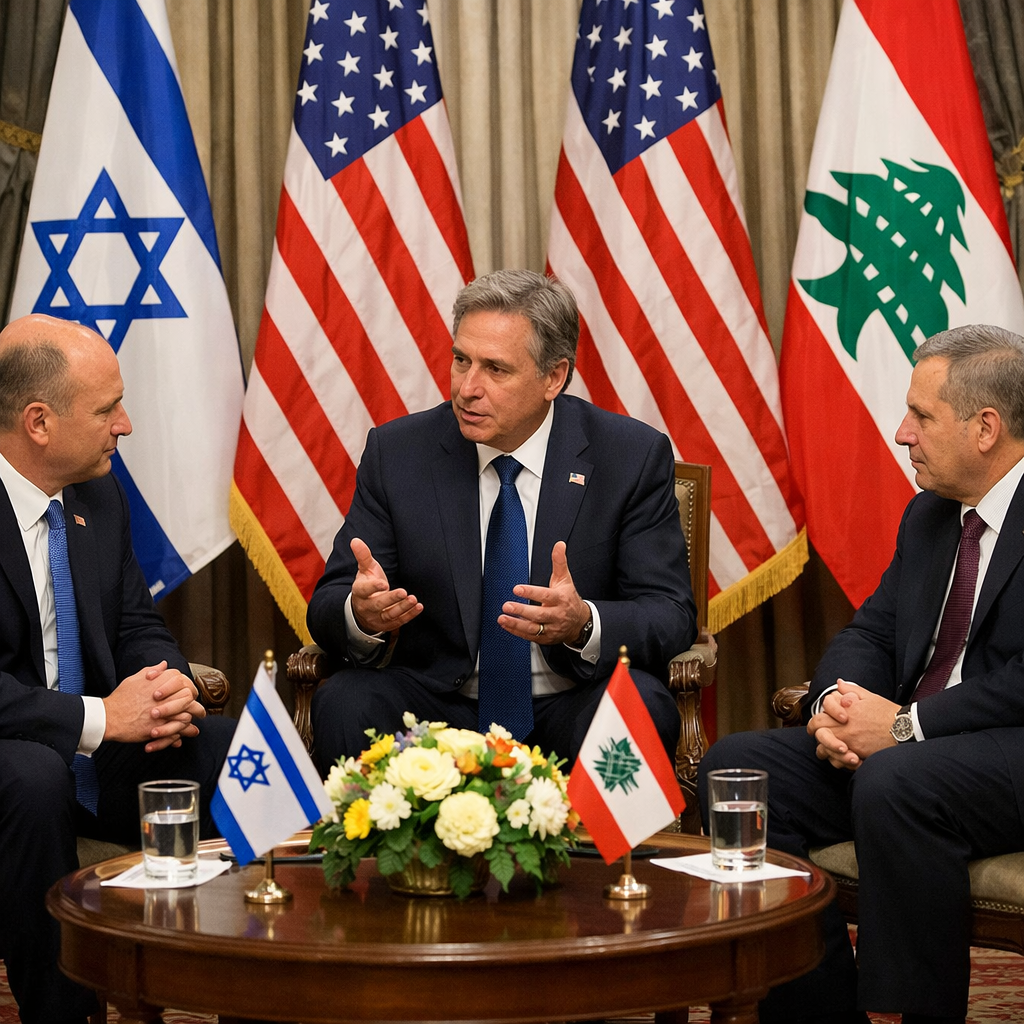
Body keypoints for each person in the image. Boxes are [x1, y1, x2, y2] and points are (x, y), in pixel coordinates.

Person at [699, 324, 1024, 1024]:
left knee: (895, 777)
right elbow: (874, 629)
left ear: (986, 428)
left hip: (1009, 748)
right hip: (921, 753)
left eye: (922, 416)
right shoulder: (930, 515)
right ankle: (816, 1011)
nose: (902, 433)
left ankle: (908, 1015)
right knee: (740, 768)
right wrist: (834, 706)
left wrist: (904, 727)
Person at [308, 269, 696, 769]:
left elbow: (670, 614)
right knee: (345, 699)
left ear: (553, 377)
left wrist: (583, 624)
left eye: (496, 369)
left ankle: (610, 852)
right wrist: (361, 616)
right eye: (460, 360)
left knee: (638, 705)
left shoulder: (629, 456)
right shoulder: (399, 453)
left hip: (567, 699)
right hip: (436, 708)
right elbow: (328, 604)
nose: (468, 388)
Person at [0, 314, 235, 1024]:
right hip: (17, 756)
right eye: (108, 410)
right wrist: (103, 718)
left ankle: (264, 997)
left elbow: (135, 622)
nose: (125, 425)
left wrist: (169, 687)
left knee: (232, 751)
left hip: (96, 748)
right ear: (39, 422)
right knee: (32, 778)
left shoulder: (96, 492)